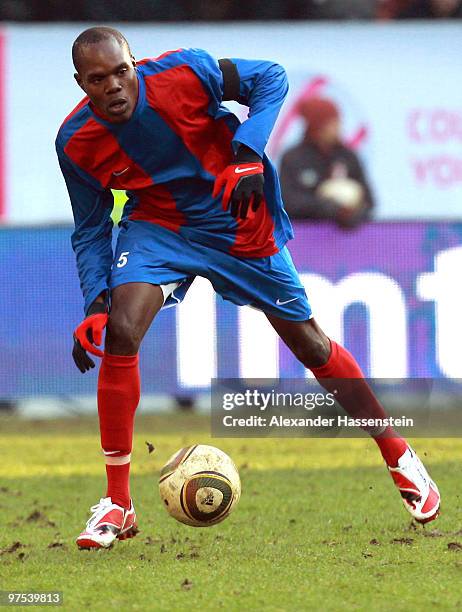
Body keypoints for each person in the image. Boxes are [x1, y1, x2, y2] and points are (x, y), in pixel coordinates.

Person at [56, 27, 440, 550]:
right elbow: (91, 229)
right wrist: (95, 302)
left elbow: (271, 78)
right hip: (159, 226)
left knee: (311, 344)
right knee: (121, 331)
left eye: (121, 71)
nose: (115, 87)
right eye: (98, 79)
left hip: (236, 218)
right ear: (81, 83)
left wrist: (247, 152)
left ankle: (397, 452)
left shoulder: (185, 72)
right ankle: (118, 504)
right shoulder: (75, 142)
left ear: (134, 63)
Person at [280, 97, 374, 228]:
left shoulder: (348, 157)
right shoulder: (294, 158)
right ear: (317, 126)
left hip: (345, 241)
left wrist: (352, 214)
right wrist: (325, 207)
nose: (336, 128)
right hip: (304, 237)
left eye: (337, 122)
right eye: (330, 123)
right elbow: (288, 202)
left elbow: (369, 201)